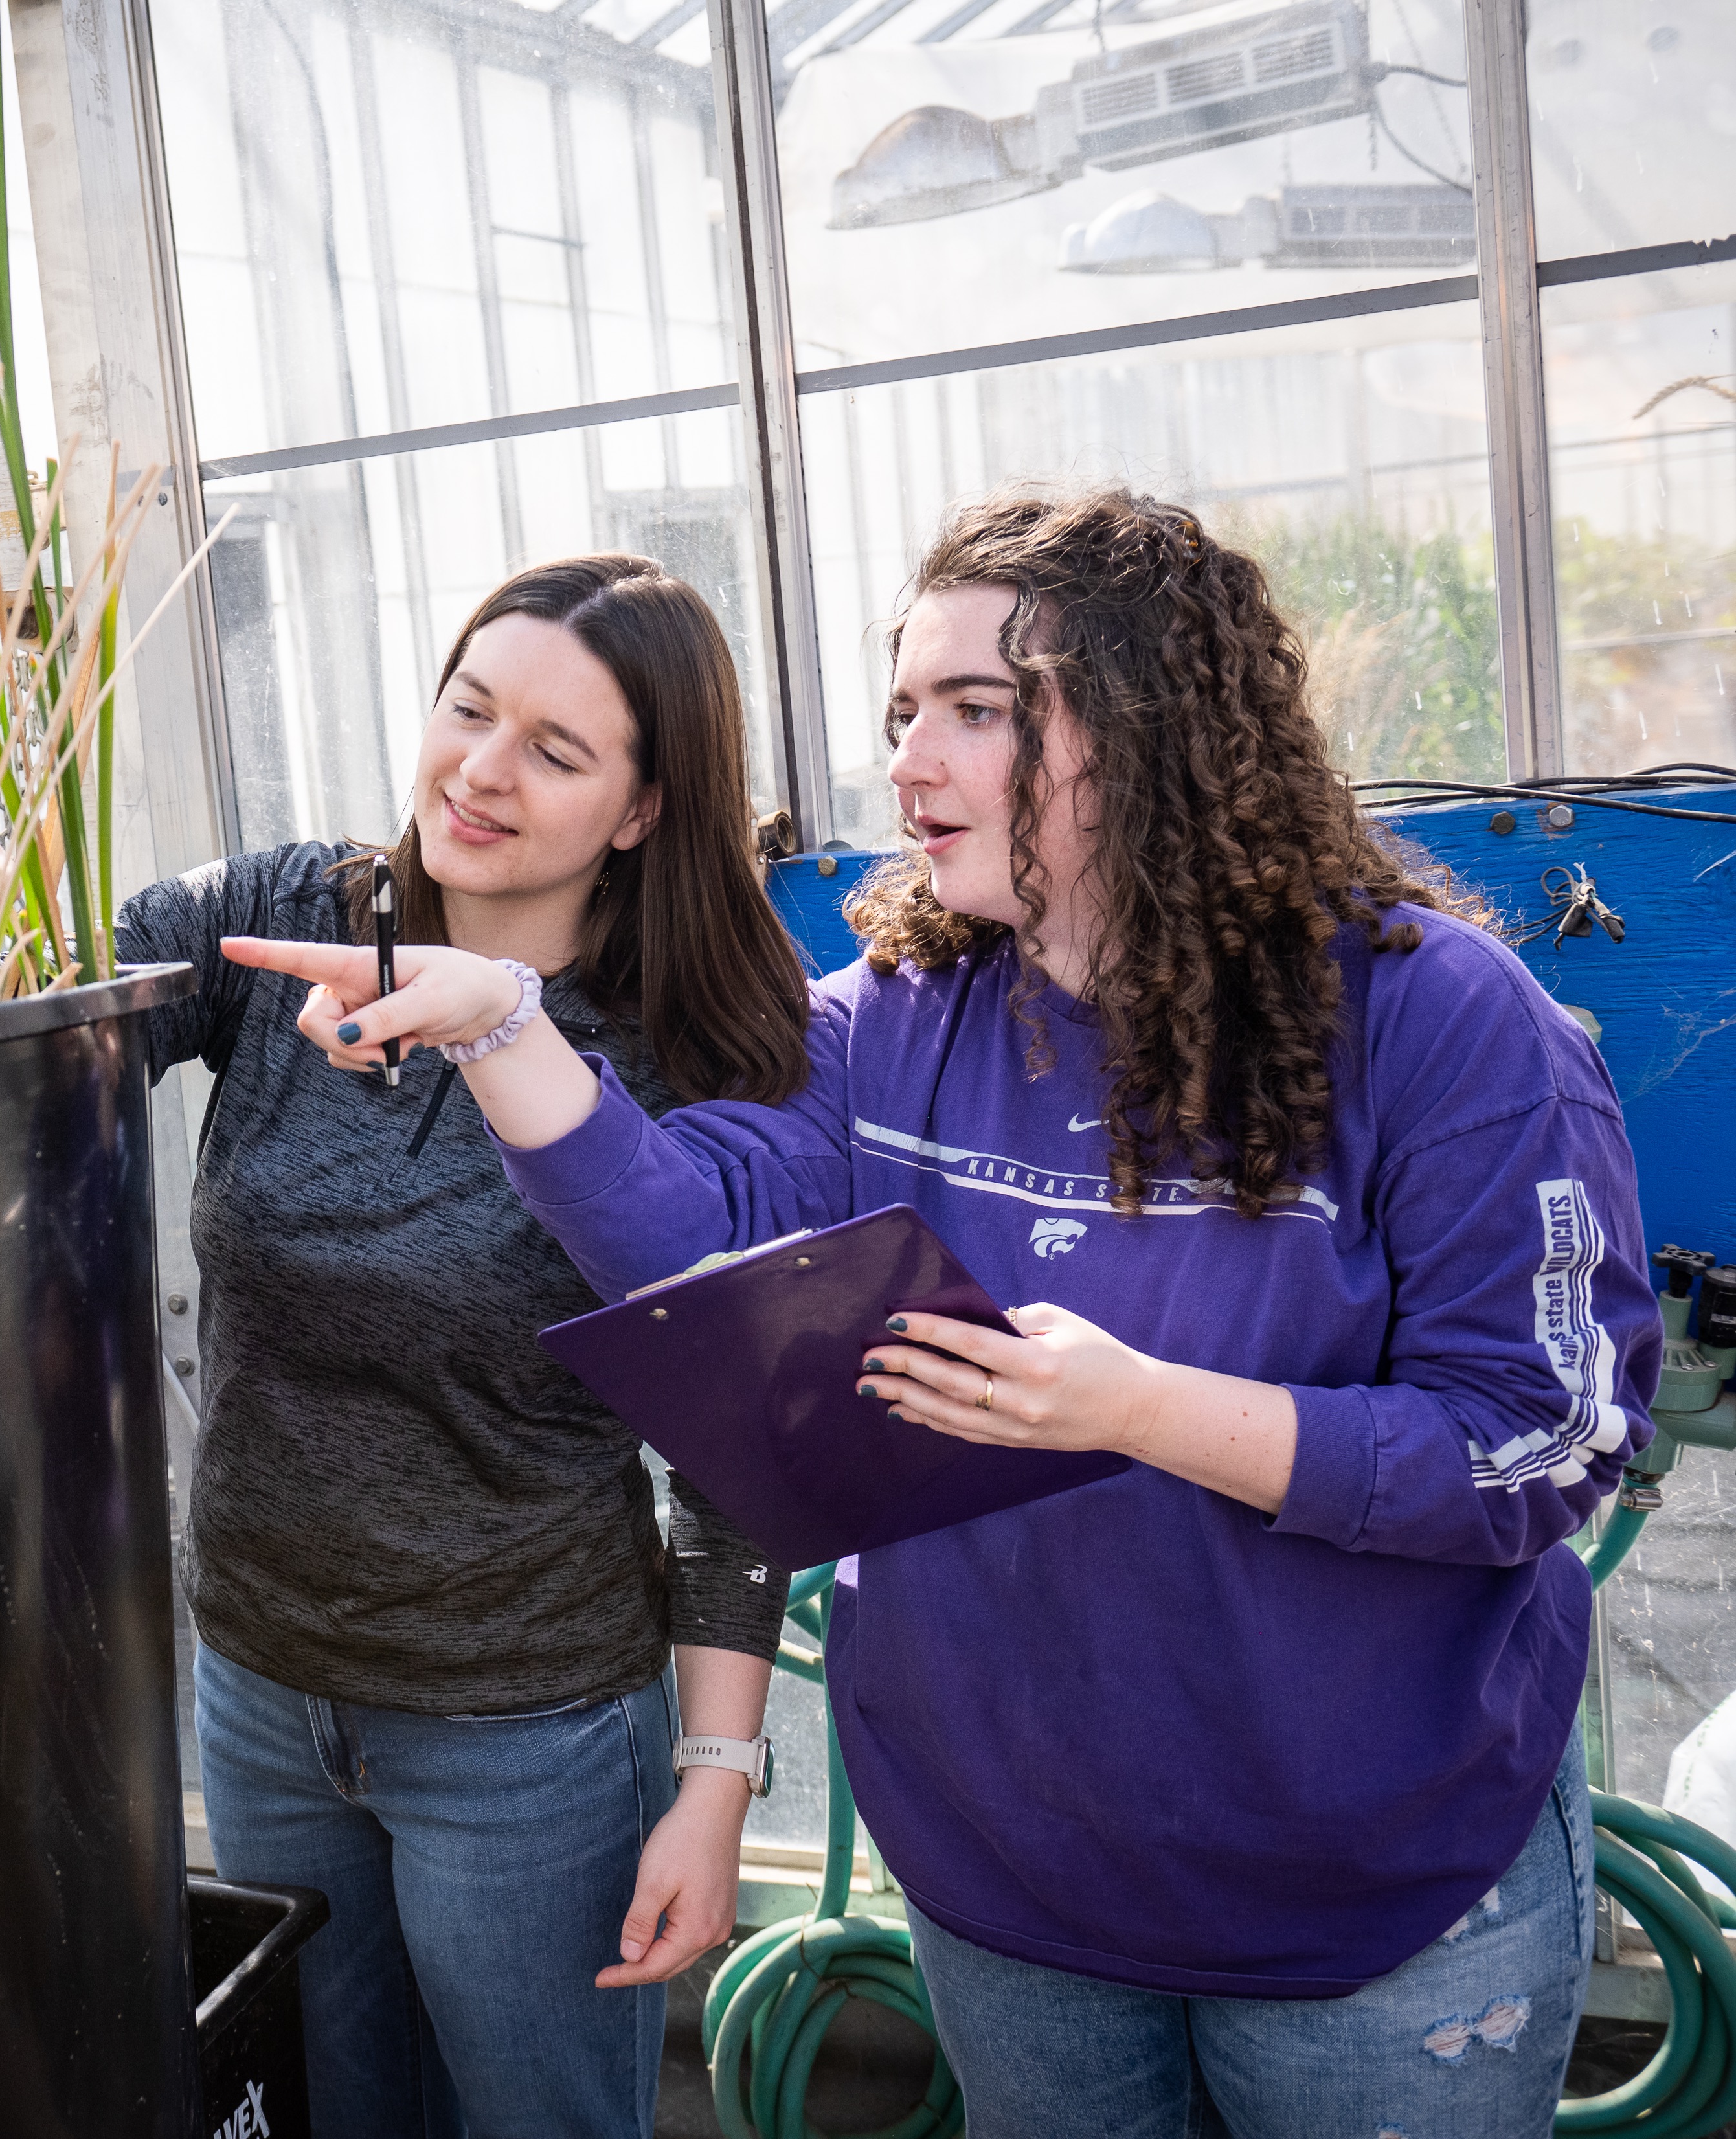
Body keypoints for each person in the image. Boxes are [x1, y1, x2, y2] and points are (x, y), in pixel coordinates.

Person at [230, 487, 1658, 2137]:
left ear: (1153, 732)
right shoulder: (891, 1015)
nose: (906, 759)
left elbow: (1543, 1442)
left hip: (1365, 1903)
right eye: (902, 707)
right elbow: (688, 1243)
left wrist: (1136, 1407)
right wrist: (499, 1028)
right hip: (1006, 1887)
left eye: (976, 711)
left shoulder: (1433, 1017)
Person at [115, 555, 811, 2138]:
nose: (480, 770)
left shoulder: (677, 1048)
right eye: (466, 708)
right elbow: (50, 1000)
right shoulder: (285, 917)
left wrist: (712, 1779)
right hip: (262, 1689)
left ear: (640, 810)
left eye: (555, 750)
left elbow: (729, 1447)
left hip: (527, 1733)